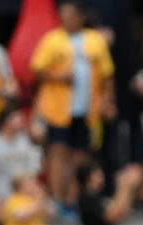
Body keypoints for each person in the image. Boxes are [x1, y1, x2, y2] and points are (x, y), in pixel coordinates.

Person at [30, 0, 116, 208]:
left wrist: (108, 101)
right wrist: (58, 77)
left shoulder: (94, 40)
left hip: (87, 110)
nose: (65, 20)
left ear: (80, 17)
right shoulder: (51, 40)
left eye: (69, 15)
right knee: (58, 153)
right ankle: (57, 200)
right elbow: (36, 70)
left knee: (81, 156)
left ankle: (75, 200)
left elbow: (107, 75)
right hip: (58, 110)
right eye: (62, 15)